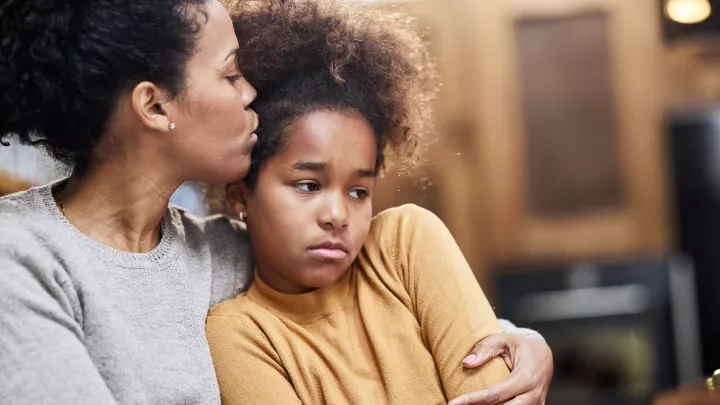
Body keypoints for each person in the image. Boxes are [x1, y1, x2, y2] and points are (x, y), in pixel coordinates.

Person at [0, 0, 551, 404]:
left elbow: (373, 300)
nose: (250, 96)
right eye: (231, 74)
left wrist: (520, 341)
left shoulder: (224, 249)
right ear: (155, 104)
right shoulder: (18, 257)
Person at [206, 1, 548, 404]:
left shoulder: (405, 243)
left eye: (358, 192)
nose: (337, 216)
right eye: (307, 185)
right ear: (239, 193)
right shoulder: (239, 335)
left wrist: (527, 340)